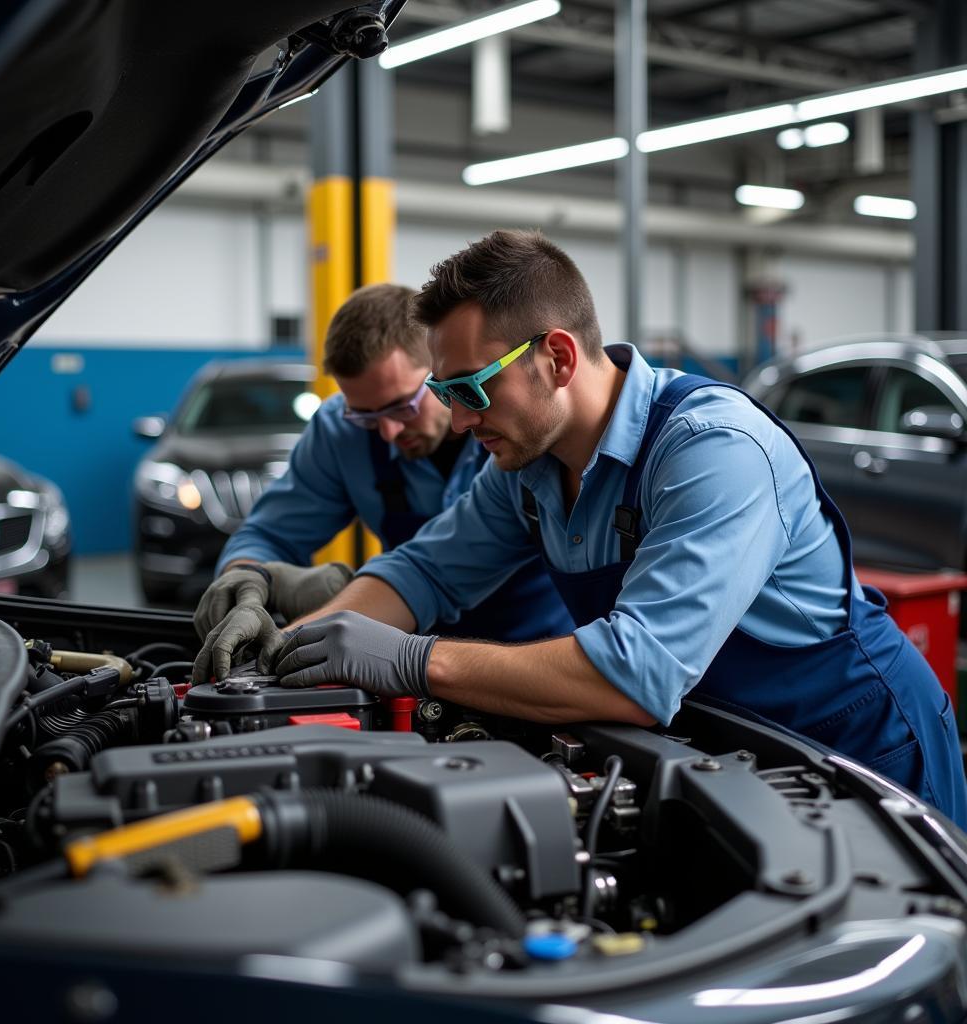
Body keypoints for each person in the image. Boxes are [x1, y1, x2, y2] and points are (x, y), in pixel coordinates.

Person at [253, 229, 967, 828]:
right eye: (445, 394)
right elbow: (423, 572)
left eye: (471, 389)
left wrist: (411, 660)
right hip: (729, 752)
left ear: (557, 358)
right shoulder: (524, 474)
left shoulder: (712, 451)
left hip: (857, 748)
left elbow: (635, 674)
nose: (462, 422)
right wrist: (290, 652)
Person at [193, 281, 573, 681]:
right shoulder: (342, 433)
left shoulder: (524, 437)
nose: (388, 432)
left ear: (441, 368)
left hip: (536, 663)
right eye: (366, 416)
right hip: (404, 666)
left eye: (402, 407)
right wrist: (248, 581)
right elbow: (273, 533)